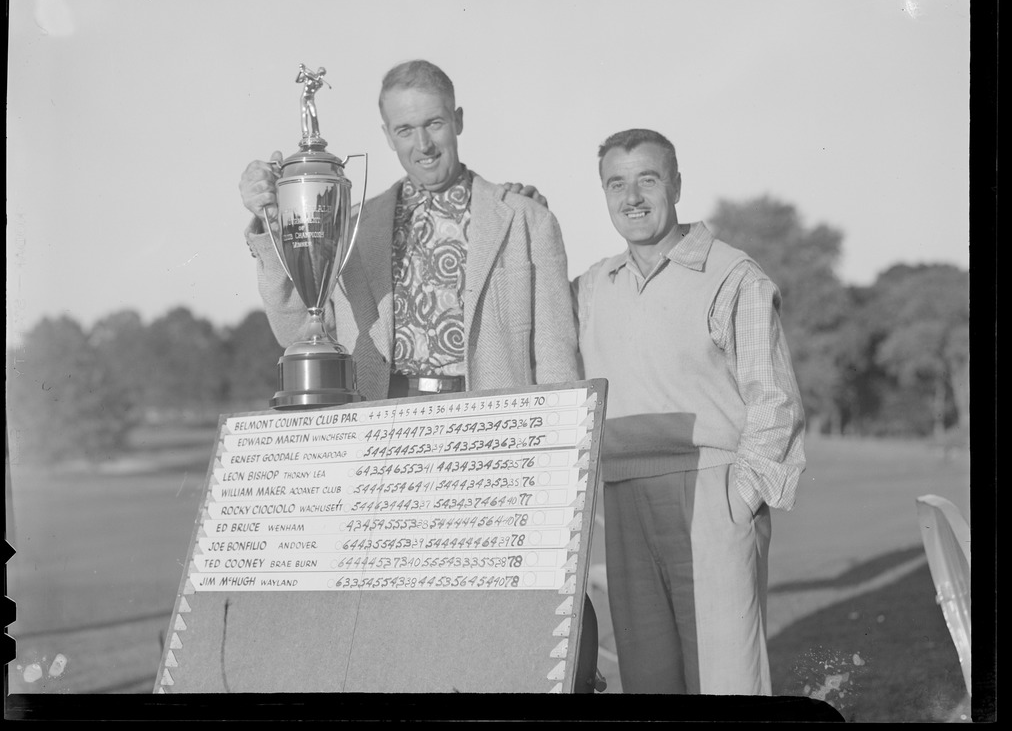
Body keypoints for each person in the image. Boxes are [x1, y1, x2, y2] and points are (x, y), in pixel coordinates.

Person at [239, 59, 602, 692]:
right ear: (386, 135)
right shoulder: (352, 225)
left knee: (515, 617)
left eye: (434, 123)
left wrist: (560, 474)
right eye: (405, 129)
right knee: (404, 623)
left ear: (458, 121)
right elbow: (304, 328)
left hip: (494, 437)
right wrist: (274, 227)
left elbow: (558, 361)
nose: (423, 143)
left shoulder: (524, 219)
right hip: (389, 440)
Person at [572, 128, 806, 695]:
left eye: (647, 179)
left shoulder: (733, 275)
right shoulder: (591, 287)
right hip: (624, 495)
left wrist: (740, 498)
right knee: (650, 683)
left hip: (712, 490)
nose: (632, 197)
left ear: (676, 184)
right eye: (616, 184)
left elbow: (773, 399)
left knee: (727, 680)